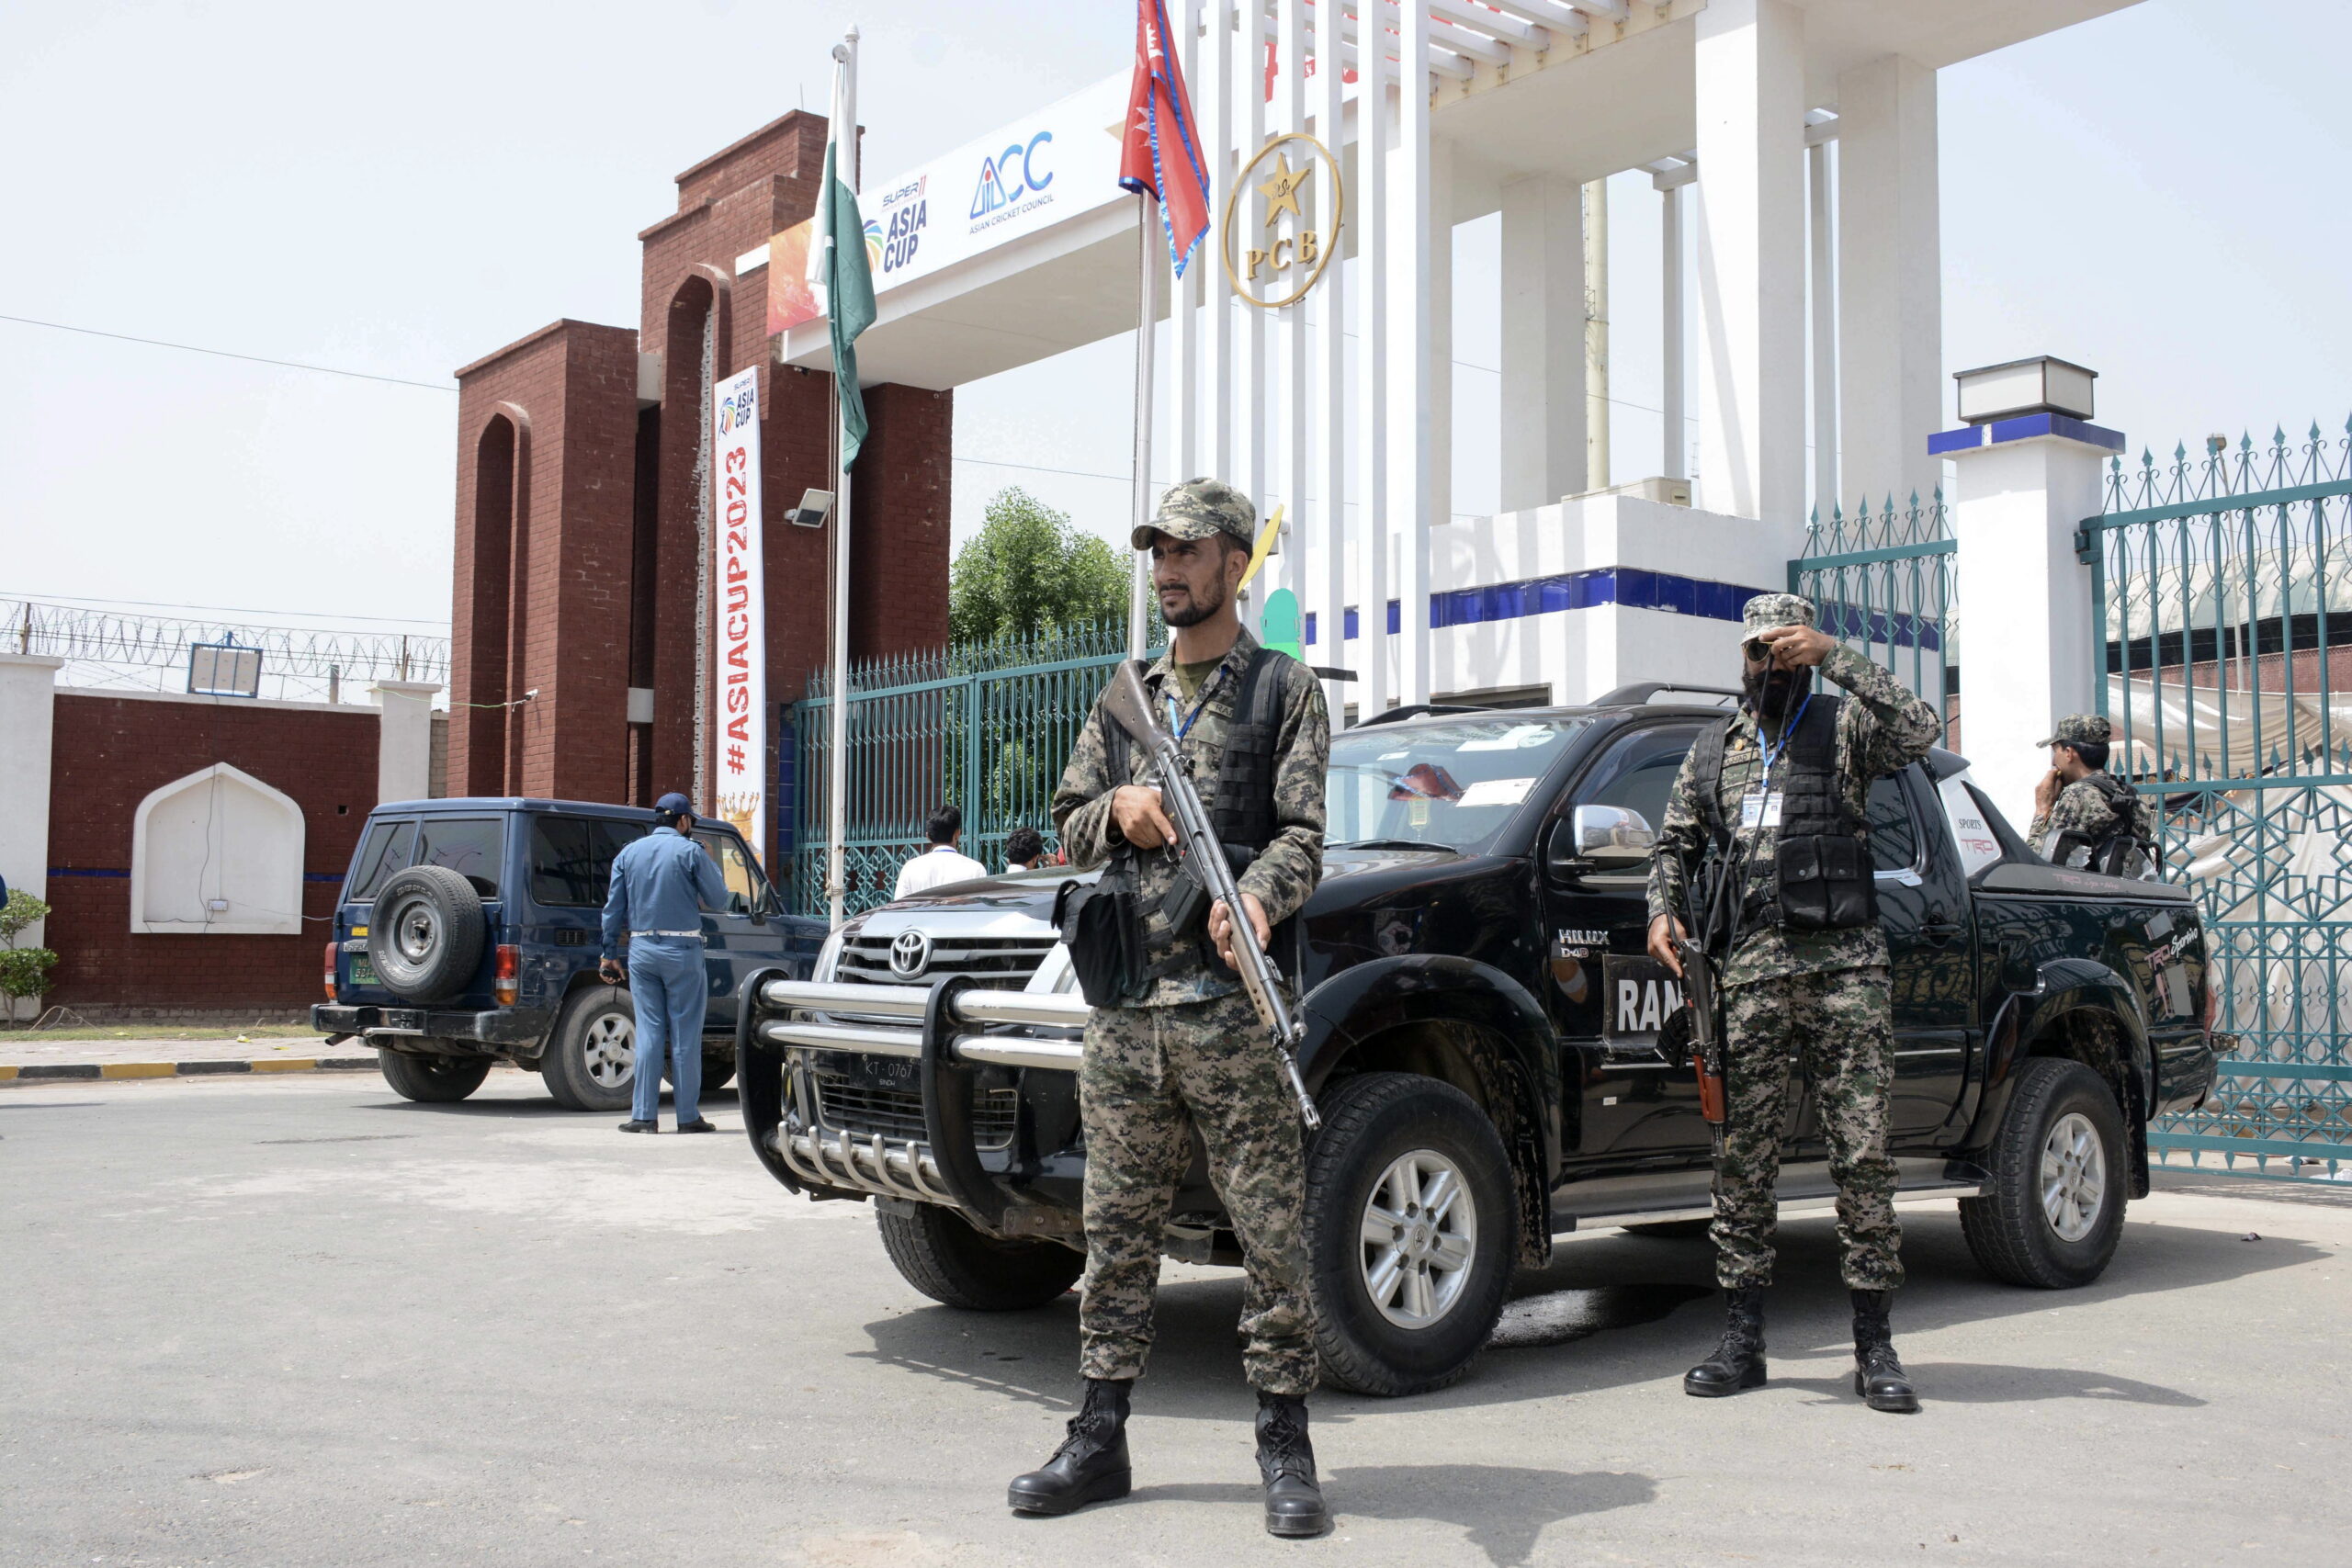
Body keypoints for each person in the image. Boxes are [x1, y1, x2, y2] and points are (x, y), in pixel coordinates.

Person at [1008, 478, 1332, 1537]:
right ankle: (1098, 1434)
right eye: (1156, 552)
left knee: (1270, 1230)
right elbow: (1066, 823)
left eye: (1186, 552)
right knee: (1116, 1231)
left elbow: (1302, 835)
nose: (1166, 570)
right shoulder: (1127, 694)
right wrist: (1125, 809)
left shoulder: (1284, 690)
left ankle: (1284, 1441)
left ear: (1236, 562)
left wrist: (1256, 896)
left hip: (1230, 1010)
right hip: (1126, 1008)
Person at [1646, 592, 1941, 1415]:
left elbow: (1921, 727)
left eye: (1783, 651)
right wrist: (1661, 910)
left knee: (1863, 1157)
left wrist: (1836, 655)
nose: (1768, 666)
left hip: (1844, 970)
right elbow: (1674, 844)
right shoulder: (1716, 750)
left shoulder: (1845, 729)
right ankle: (1743, 1339)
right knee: (1742, 1161)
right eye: (1758, 652)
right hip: (1748, 975)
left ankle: (1874, 1345)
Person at [599, 792, 729, 1134]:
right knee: (685, 1034)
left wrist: (609, 952)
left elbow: (613, 909)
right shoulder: (691, 852)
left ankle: (643, 1117)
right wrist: (710, 861)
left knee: (649, 1032)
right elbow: (719, 899)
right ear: (684, 821)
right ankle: (687, 1117)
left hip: (641, 949)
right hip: (683, 949)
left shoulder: (629, 853)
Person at [2029, 715, 2156, 874]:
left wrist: (2042, 809)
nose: (2054, 761)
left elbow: (2036, 862)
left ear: (2069, 753)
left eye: (2056, 751)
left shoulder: (2077, 794)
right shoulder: (2130, 794)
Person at [893, 804, 989, 897]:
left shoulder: (911, 868)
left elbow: (898, 907)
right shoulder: (975, 869)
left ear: (928, 836)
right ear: (957, 834)